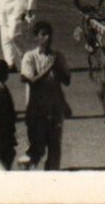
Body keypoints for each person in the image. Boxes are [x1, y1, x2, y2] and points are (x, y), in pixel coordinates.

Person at [19, 20, 71, 171]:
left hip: (55, 109)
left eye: (49, 34)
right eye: (43, 34)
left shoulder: (58, 56)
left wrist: (58, 69)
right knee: (38, 147)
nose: (47, 38)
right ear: (36, 37)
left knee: (55, 147)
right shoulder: (29, 57)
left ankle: (51, 175)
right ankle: (26, 169)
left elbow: (66, 81)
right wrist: (49, 68)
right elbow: (31, 82)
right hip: (36, 110)